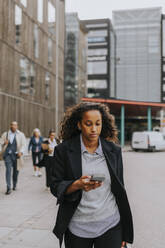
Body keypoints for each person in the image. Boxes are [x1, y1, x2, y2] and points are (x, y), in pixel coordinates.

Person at [50, 102, 134, 248]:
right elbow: (55, 186)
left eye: (98, 124)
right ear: (79, 125)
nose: (94, 129)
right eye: (88, 124)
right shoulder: (63, 151)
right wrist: (77, 185)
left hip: (111, 225)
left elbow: (120, 190)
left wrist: (124, 233)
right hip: (77, 228)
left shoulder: (114, 151)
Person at [0, 121, 26, 195]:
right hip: (7, 155)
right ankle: (8, 187)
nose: (13, 126)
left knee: (16, 171)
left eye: (15, 125)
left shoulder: (21, 135)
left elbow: (24, 145)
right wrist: (4, 143)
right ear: (10, 126)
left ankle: (14, 184)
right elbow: (1, 142)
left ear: (17, 126)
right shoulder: (5, 134)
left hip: (17, 155)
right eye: (12, 125)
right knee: (8, 170)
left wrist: (21, 152)